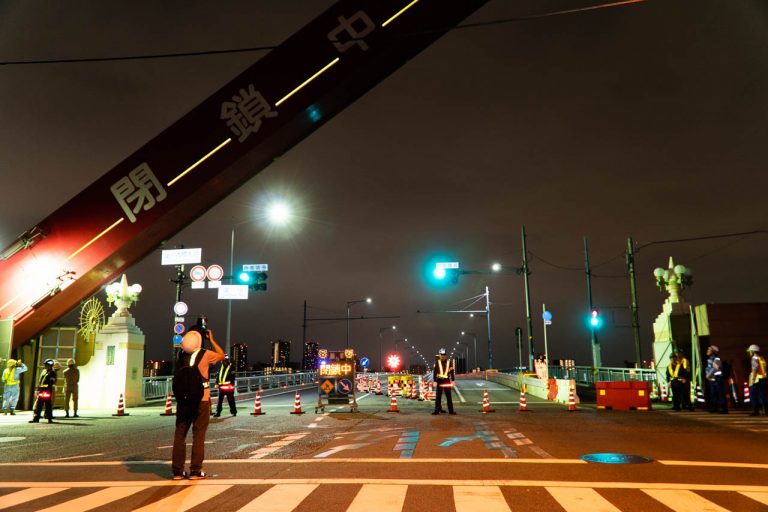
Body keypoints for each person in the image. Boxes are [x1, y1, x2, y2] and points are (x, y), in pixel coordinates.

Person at [171, 326, 225, 480]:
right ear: (199, 342)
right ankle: (195, 471)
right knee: (199, 434)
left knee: (180, 435)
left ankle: (177, 471)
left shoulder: (180, 356)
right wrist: (212, 340)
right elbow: (221, 355)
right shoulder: (205, 354)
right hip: (201, 400)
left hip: (183, 401)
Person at [30, 359, 57, 423]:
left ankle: (49, 418)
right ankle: (36, 418)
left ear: (50, 365)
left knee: (48, 405)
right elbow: (41, 381)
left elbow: (51, 382)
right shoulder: (44, 371)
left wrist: (45, 388)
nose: (45, 366)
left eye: (46, 365)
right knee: (39, 405)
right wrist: (39, 389)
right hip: (41, 390)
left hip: (47, 390)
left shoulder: (52, 373)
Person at [432, 348, 455, 415]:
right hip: (439, 380)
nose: (443, 356)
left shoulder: (449, 362)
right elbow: (435, 372)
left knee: (449, 396)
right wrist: (435, 381)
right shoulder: (437, 362)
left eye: (444, 354)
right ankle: (437, 410)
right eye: (441, 354)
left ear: (445, 355)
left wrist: (453, 380)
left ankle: (451, 411)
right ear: (439, 355)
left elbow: (452, 372)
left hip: (447, 381)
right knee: (438, 396)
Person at [705, 345, 727, 414]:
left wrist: (708, 375)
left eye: (709, 350)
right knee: (713, 394)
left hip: (717, 379)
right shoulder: (710, 359)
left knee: (720, 394)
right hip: (712, 380)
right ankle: (714, 408)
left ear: (713, 352)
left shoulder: (716, 359)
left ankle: (723, 408)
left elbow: (715, 368)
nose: (707, 351)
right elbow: (708, 368)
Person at [747, 344, 767, 417]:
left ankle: (755, 411)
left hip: (757, 379)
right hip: (763, 379)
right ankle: (765, 411)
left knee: (752, 395)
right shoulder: (761, 358)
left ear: (753, 351)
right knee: (762, 395)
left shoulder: (754, 358)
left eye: (750, 351)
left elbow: (755, 369)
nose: (749, 353)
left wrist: (752, 379)